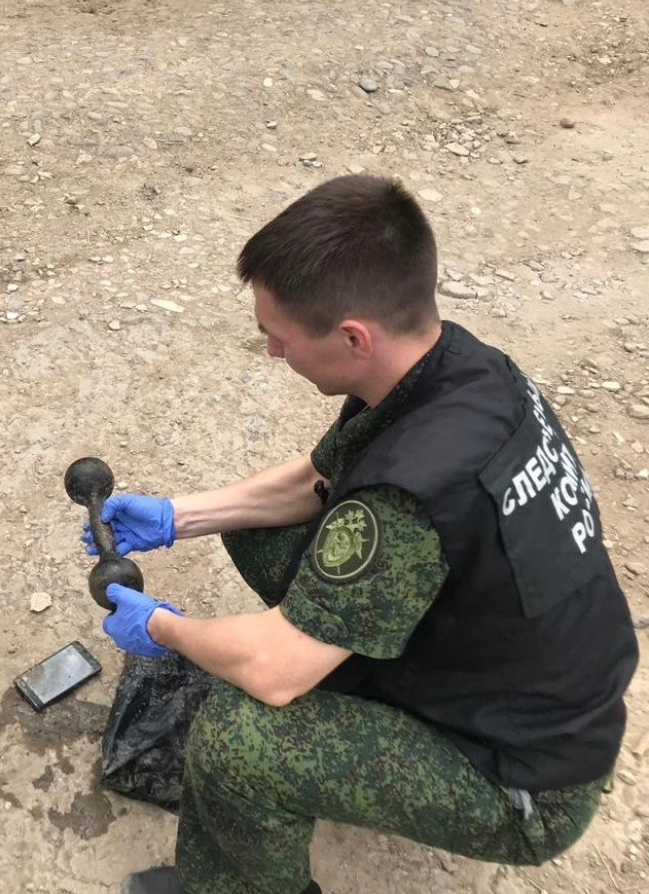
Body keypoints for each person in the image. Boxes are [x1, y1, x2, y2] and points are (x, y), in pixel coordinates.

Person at [83, 176, 639, 894]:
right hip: (505, 673)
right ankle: (352, 676)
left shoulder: (409, 496)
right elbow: (316, 480)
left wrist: (161, 625)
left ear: (353, 337)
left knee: (237, 737)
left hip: (521, 775)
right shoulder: (457, 371)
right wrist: (174, 516)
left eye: (280, 338)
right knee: (258, 531)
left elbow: (274, 672)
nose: (272, 351)